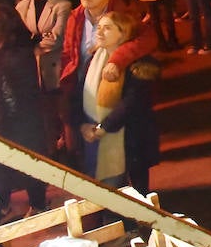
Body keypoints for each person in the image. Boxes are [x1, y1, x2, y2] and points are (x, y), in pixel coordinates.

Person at [68, 10, 160, 191]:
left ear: (123, 33)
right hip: (94, 136)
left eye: (107, 28)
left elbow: (133, 103)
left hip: (130, 138)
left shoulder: (139, 65)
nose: (99, 32)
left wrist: (104, 127)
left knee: (137, 194)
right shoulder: (91, 62)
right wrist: (81, 125)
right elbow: (78, 96)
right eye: (98, 28)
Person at [0, 4, 49, 217]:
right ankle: (4, 203)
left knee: (29, 163)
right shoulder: (6, 52)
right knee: (2, 167)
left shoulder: (16, 55)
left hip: (20, 120)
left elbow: (15, 93)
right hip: (10, 119)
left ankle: (38, 205)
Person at [16, 0, 71, 159]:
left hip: (54, 65)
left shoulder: (61, 5)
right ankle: (51, 149)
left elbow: (56, 38)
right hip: (33, 67)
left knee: (61, 110)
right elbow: (18, 37)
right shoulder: (22, 6)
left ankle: (68, 148)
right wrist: (35, 40)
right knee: (44, 112)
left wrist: (32, 41)